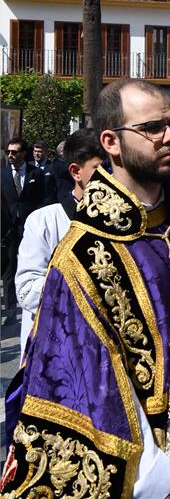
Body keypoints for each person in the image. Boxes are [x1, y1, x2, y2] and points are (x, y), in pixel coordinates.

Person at [2, 79, 170, 499]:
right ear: (112, 142)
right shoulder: (83, 253)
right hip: (144, 467)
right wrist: (153, 488)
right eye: (153, 127)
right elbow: (88, 385)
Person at [15, 129, 104, 357]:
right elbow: (26, 293)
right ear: (76, 172)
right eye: (101, 170)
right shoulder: (44, 221)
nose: (110, 179)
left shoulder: (121, 224)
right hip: (51, 352)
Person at [1, 137, 46, 325]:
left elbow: (43, 198)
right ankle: (10, 309)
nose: (10, 155)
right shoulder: (1, 174)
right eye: (8, 152)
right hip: (9, 229)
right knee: (10, 269)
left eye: (14, 152)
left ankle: (37, 303)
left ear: (23, 153)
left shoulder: (35, 173)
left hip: (30, 227)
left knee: (33, 265)